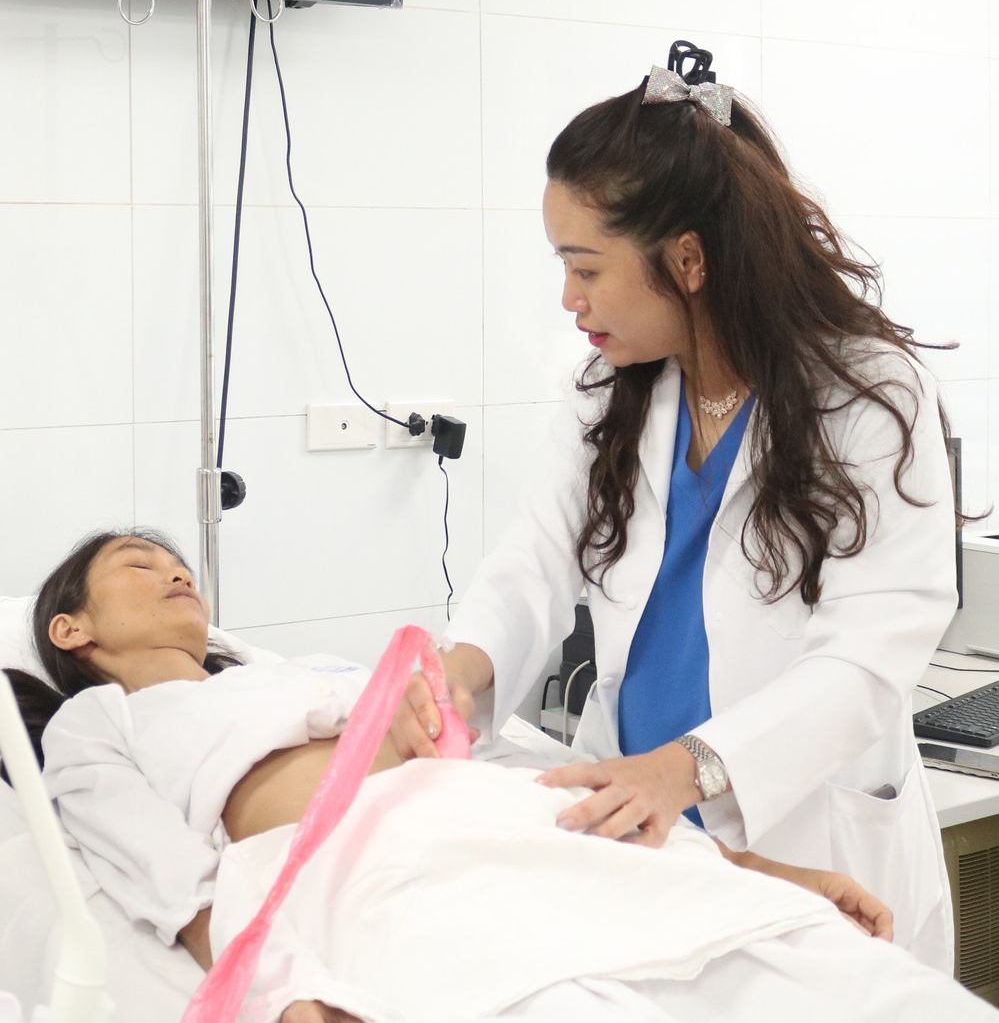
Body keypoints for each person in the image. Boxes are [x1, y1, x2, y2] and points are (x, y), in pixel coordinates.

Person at [393, 47, 961, 971]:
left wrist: (687, 767)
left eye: (585, 267)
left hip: (801, 823)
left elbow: (868, 656)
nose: (568, 299)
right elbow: (535, 556)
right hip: (643, 825)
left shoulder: (867, 396)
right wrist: (462, 670)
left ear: (686, 259)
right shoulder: (610, 388)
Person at [0, 529, 988, 1022]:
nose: (174, 569)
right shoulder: (101, 721)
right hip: (387, 870)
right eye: (137, 564)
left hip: (512, 832)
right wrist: (277, 995)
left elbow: (526, 777)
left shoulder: (312, 675)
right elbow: (164, 872)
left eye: (178, 559)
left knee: (855, 987)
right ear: (70, 629)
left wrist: (753, 869)